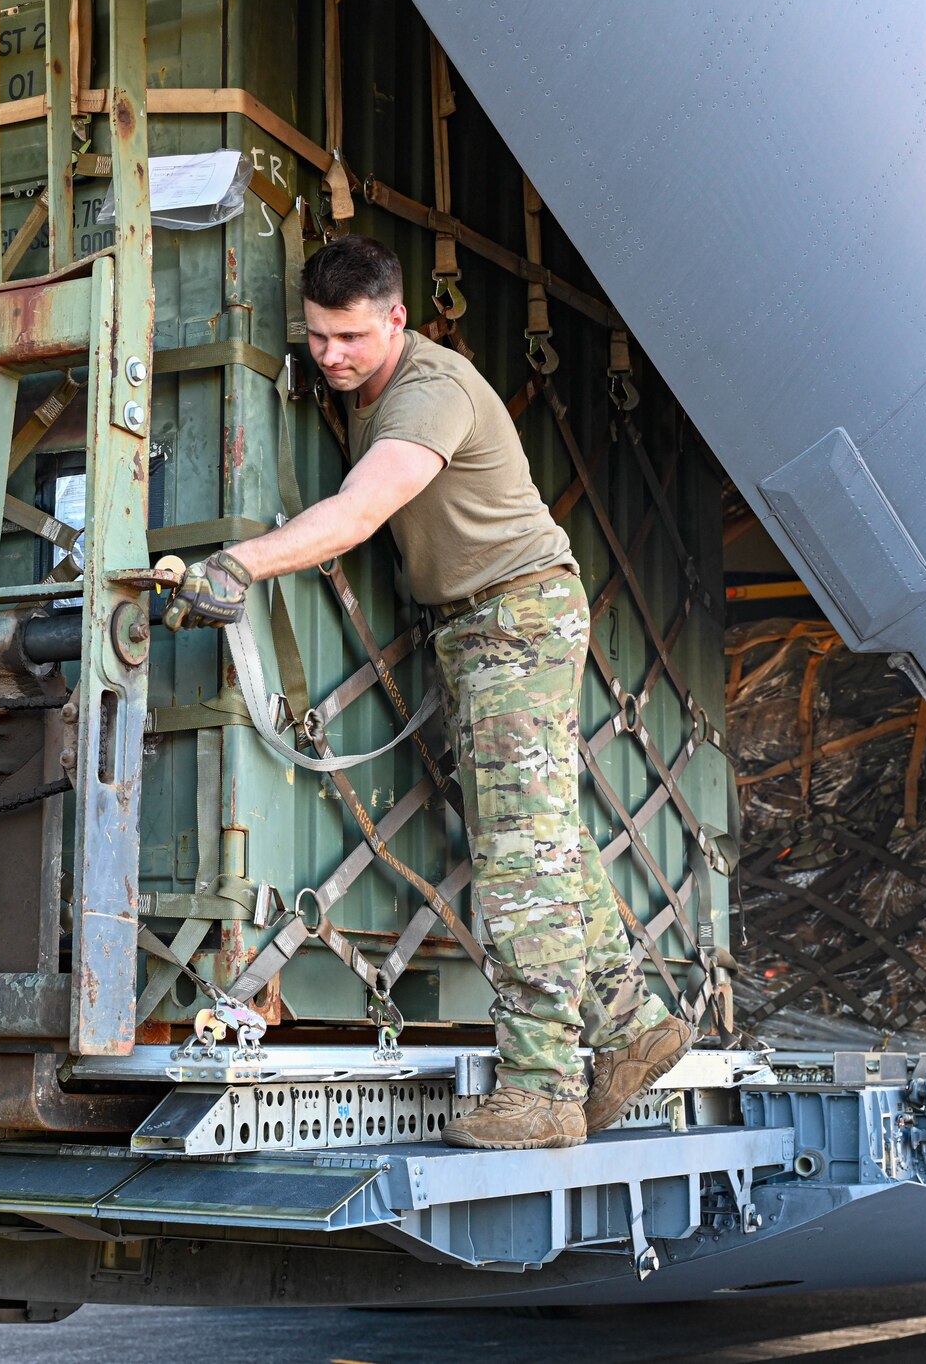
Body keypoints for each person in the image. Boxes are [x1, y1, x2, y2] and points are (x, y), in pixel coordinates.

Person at [162, 236, 691, 1150]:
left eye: (353, 338)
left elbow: (363, 511)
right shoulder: (360, 381)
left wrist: (236, 564)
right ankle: (632, 1024)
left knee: (519, 858)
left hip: (515, 617)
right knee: (545, 837)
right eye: (319, 336)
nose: (332, 356)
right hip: (489, 624)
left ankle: (541, 1089)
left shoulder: (429, 394)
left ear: (398, 319)